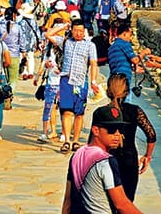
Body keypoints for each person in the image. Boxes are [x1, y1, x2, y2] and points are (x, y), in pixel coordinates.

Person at [60, 105, 143, 214]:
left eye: (120, 129)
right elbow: (121, 204)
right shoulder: (105, 161)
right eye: (112, 130)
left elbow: (68, 199)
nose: (117, 135)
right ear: (96, 130)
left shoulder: (77, 155)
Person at [46, 18, 100, 154]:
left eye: (81, 31)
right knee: (66, 112)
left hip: (81, 82)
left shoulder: (90, 45)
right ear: (71, 31)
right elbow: (48, 35)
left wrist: (93, 81)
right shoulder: (65, 42)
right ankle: (67, 141)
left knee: (79, 113)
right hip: (66, 81)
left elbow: (93, 63)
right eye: (76, 31)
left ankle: (76, 140)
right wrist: (64, 26)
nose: (79, 34)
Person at [104, 73, 156, 201]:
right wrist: (147, 156)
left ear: (107, 91)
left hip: (106, 161)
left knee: (107, 202)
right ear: (127, 92)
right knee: (127, 201)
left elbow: (92, 142)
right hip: (129, 159)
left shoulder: (101, 112)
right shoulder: (135, 110)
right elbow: (151, 135)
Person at [34, 36, 63, 143]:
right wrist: (38, 75)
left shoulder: (66, 50)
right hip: (51, 83)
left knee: (63, 109)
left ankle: (64, 133)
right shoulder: (48, 50)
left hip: (63, 83)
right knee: (49, 108)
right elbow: (44, 64)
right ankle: (49, 132)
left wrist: (62, 72)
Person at [107, 24, 141, 94]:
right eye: (130, 34)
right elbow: (135, 60)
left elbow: (119, 62)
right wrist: (144, 52)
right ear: (124, 34)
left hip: (113, 77)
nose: (130, 37)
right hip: (123, 78)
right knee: (124, 98)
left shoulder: (112, 47)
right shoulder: (124, 44)